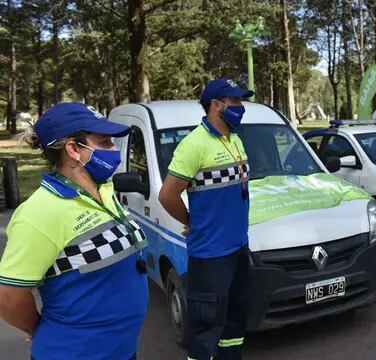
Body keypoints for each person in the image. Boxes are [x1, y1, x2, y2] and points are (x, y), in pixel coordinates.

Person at [0, 103, 148, 360]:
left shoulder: (104, 191)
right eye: (105, 142)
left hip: (121, 350)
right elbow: (9, 297)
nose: (115, 151)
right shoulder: (40, 213)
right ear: (73, 149)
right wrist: (37, 328)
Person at [159, 77, 252, 360]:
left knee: (235, 320)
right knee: (205, 327)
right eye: (235, 101)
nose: (240, 106)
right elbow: (167, 195)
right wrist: (191, 220)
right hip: (211, 253)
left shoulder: (234, 139)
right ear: (216, 105)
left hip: (238, 247)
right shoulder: (193, 145)